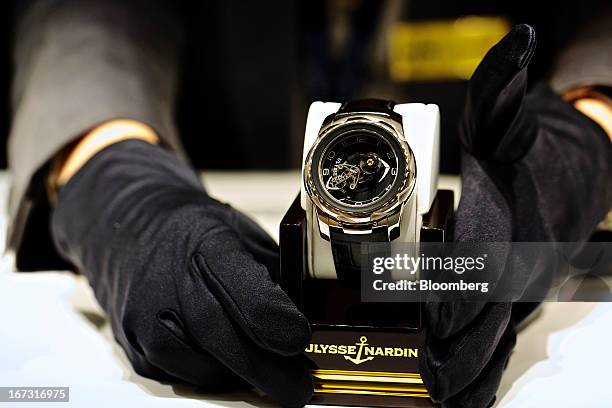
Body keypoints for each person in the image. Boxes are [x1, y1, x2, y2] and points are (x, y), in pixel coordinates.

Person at [7, 1, 612, 407]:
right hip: (242, 173)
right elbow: (88, 18)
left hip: (439, 188)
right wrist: (115, 175)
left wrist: (583, 140)